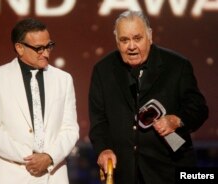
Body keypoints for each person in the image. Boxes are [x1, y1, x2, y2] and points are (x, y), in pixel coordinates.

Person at [88, 10, 208, 184]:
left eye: (137, 38)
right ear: (117, 41)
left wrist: (176, 120)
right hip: (124, 173)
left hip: (169, 171)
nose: (131, 46)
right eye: (124, 40)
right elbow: (98, 120)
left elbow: (199, 108)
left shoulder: (177, 66)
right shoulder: (103, 70)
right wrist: (103, 149)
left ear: (150, 36)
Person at [0, 18, 79, 184]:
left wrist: (49, 157)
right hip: (9, 173)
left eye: (49, 46)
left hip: (53, 174)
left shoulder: (64, 79)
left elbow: (70, 129)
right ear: (19, 48)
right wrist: (31, 158)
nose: (46, 53)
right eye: (39, 48)